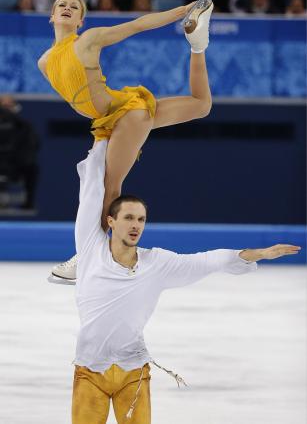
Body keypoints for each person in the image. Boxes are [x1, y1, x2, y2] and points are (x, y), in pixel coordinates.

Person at [69, 137, 300, 424]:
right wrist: (102, 140)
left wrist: (258, 254)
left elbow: (208, 260)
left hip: (134, 373)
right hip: (90, 371)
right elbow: (91, 191)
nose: (136, 225)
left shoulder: (157, 264)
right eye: (129, 218)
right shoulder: (91, 248)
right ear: (111, 221)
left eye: (141, 220)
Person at [38, 0, 214, 280]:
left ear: (81, 20)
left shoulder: (88, 40)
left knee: (110, 185)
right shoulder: (45, 62)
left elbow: (137, 25)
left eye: (74, 7)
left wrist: (183, 8)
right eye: (62, 5)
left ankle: (90, 256)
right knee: (201, 105)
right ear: (52, 15)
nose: (67, 9)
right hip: (112, 118)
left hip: (126, 113)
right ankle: (198, 45)